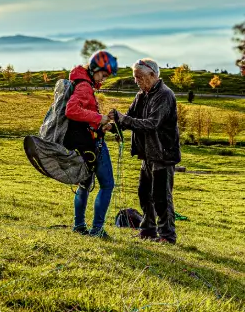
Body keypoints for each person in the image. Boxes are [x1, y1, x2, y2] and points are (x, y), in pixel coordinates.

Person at [109, 58, 181, 244]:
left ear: (153, 75)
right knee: (144, 193)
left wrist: (123, 119)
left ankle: (167, 235)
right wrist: (112, 126)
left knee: (161, 197)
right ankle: (148, 230)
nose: (137, 81)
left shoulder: (165, 95)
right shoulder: (141, 95)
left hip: (163, 154)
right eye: (135, 77)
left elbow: (152, 124)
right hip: (148, 154)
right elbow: (129, 118)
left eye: (139, 77)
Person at [64, 50, 118, 239]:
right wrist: (100, 118)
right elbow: (71, 111)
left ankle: (79, 225)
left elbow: (83, 117)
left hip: (83, 141)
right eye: (103, 75)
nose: (103, 80)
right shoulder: (85, 86)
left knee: (85, 184)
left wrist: (103, 124)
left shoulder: (81, 82)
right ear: (95, 68)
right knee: (107, 184)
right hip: (91, 144)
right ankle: (97, 229)